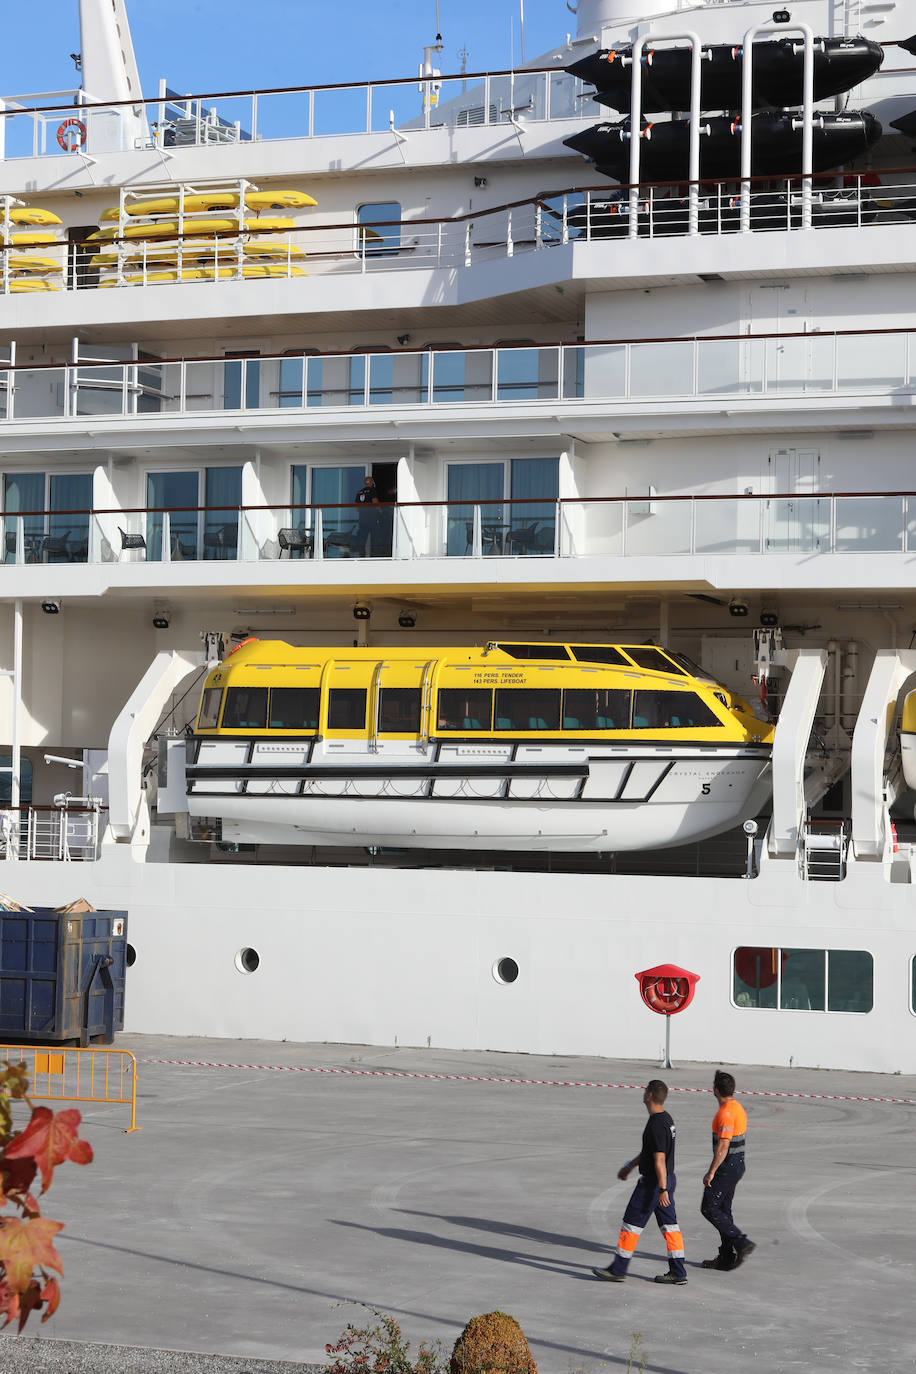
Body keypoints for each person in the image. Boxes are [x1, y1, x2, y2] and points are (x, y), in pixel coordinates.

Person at [591, 1079, 687, 1285]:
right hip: (667, 1180)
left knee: (631, 1224)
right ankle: (678, 1271)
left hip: (654, 1184)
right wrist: (630, 1166)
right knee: (670, 1226)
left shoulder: (656, 1125)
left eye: (645, 1091)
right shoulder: (666, 1119)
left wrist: (661, 1189)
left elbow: (659, 1160)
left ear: (650, 1095)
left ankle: (618, 1269)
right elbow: (649, 1153)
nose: (643, 1093)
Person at [700, 1070, 755, 1271]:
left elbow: (723, 1146)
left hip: (727, 1167)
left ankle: (741, 1243)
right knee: (724, 1210)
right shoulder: (737, 1107)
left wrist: (711, 1171)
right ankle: (726, 1257)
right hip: (738, 1164)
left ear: (715, 1090)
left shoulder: (725, 1113)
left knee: (709, 1207)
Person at [354, 474, 380, 555]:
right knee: (375, 538)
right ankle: (374, 555)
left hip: (362, 519)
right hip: (372, 519)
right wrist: (381, 512)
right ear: (372, 482)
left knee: (362, 539)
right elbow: (375, 503)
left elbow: (356, 508)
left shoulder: (359, 492)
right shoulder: (372, 490)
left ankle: (361, 555)